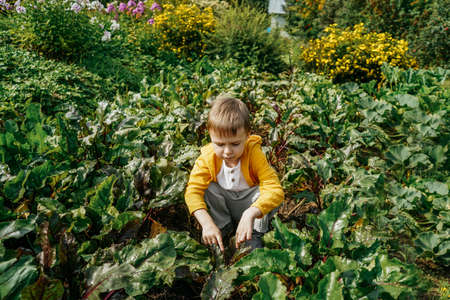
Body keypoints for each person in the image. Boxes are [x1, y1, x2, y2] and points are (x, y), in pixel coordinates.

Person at [184, 96, 284, 252]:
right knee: (207, 187)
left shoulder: (254, 154)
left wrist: (251, 213)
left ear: (247, 135)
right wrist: (206, 223)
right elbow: (192, 192)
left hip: (250, 206)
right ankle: (222, 227)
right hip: (225, 204)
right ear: (210, 136)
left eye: (235, 144)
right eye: (219, 144)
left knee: (263, 193)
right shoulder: (207, 158)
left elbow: (275, 190)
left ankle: (254, 233)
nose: (227, 151)